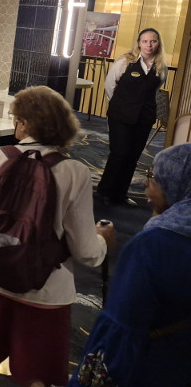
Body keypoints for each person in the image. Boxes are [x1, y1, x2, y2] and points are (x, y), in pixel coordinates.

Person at [0, 85, 115, 387]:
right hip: (45, 292)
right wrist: (103, 240)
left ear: (26, 123)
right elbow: (86, 252)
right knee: (36, 376)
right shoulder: (75, 172)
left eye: (16, 118)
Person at [69, 142, 191, 386]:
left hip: (152, 365)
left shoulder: (153, 245)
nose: (146, 182)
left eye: (154, 176)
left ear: (175, 183)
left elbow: (120, 326)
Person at [96, 28, 168, 206]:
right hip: (120, 115)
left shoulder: (161, 67)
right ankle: (105, 191)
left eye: (153, 41)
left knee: (133, 156)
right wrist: (121, 105)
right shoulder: (125, 62)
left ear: (158, 43)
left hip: (144, 118)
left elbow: (154, 91)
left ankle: (120, 193)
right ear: (139, 43)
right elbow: (110, 86)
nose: (149, 45)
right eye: (145, 41)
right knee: (119, 153)